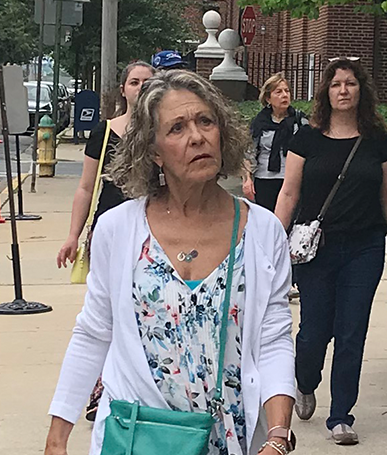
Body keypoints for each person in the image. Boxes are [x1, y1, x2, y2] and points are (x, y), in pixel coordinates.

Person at [44, 70, 297, 455]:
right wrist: (57, 437)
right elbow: (93, 333)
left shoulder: (263, 231)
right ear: (154, 150)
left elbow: (274, 339)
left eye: (205, 121)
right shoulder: (118, 229)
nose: (197, 136)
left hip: (230, 438)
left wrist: (277, 437)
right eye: (177, 128)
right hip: (137, 436)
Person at [273, 58, 387, 445]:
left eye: (349, 83)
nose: (343, 90)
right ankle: (305, 380)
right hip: (317, 250)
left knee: (352, 332)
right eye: (335, 84)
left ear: (360, 89)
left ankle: (341, 416)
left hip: (364, 248)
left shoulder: (377, 141)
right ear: (325, 92)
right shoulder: (307, 139)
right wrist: (272, 238)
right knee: (314, 330)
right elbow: (289, 193)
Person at [54, 60, 156, 422]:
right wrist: (72, 236)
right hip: (108, 235)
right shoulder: (104, 132)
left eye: (148, 81)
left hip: (153, 235)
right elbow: (85, 188)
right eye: (134, 81)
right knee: (108, 315)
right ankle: (102, 391)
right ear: (123, 89)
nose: (141, 87)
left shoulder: (162, 133)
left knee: (142, 315)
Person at [243, 73, 308, 212]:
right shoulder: (259, 123)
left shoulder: (300, 121)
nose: (284, 95)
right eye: (278, 92)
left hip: (292, 181)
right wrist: (247, 178)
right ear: (268, 98)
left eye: (287, 91)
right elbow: (249, 152)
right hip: (264, 180)